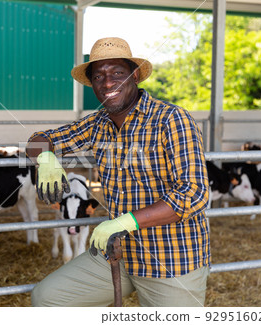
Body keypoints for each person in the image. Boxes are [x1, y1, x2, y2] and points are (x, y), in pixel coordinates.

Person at [26, 37, 210, 307]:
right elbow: (38, 139)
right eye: (99, 76)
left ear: (135, 76)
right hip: (119, 251)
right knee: (48, 298)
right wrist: (45, 156)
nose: (108, 83)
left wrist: (126, 222)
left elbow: (194, 192)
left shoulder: (171, 119)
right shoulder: (97, 123)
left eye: (117, 73)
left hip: (171, 258)